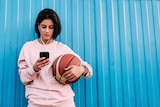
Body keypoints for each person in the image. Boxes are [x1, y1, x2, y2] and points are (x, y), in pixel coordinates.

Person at [17, 8, 93, 107]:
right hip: (36, 103)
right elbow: (23, 78)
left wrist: (81, 69)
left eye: (51, 27)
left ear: (55, 28)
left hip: (64, 102)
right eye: (44, 27)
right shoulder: (27, 48)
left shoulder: (62, 48)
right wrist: (34, 69)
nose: (47, 31)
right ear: (38, 26)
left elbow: (89, 70)